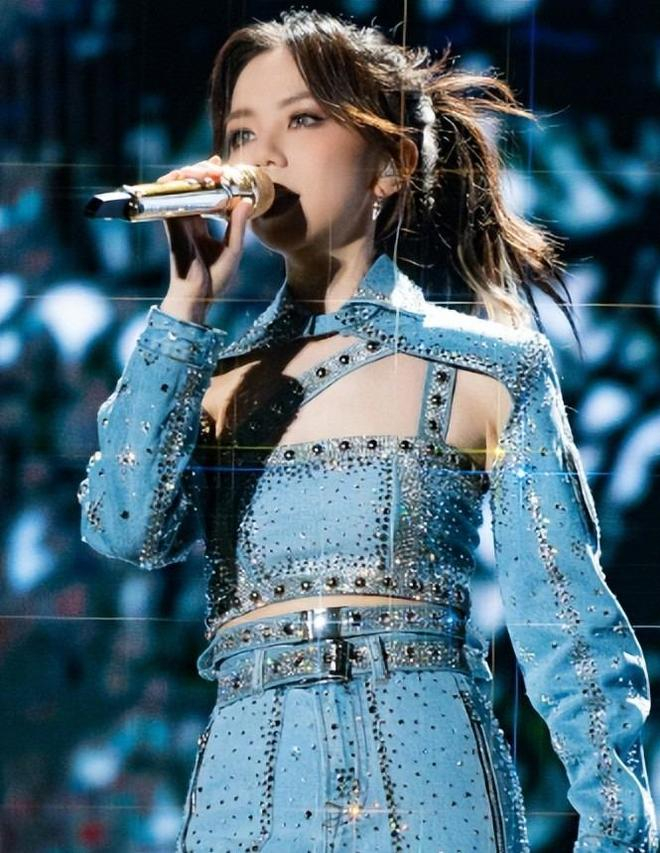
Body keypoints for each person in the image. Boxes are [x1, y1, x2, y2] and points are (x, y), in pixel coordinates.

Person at [77, 9, 657, 852]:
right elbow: (124, 528)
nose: (263, 156)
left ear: (391, 164)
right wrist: (184, 309)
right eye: (242, 132)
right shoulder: (205, 376)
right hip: (248, 787)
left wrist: (617, 830)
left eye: (302, 120)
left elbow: (568, 628)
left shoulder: (491, 369)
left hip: (434, 777)